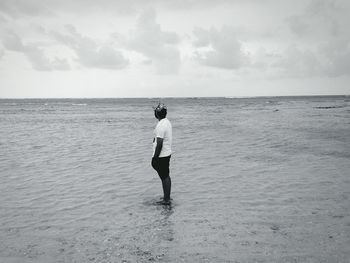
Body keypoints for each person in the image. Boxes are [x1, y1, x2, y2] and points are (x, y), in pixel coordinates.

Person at [151, 103, 172, 205]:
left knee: (164, 177)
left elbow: (159, 143)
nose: (154, 113)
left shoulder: (161, 125)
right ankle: (167, 197)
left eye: (155, 111)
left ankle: (166, 200)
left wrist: (155, 157)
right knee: (166, 176)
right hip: (166, 153)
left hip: (162, 155)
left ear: (157, 114)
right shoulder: (166, 122)